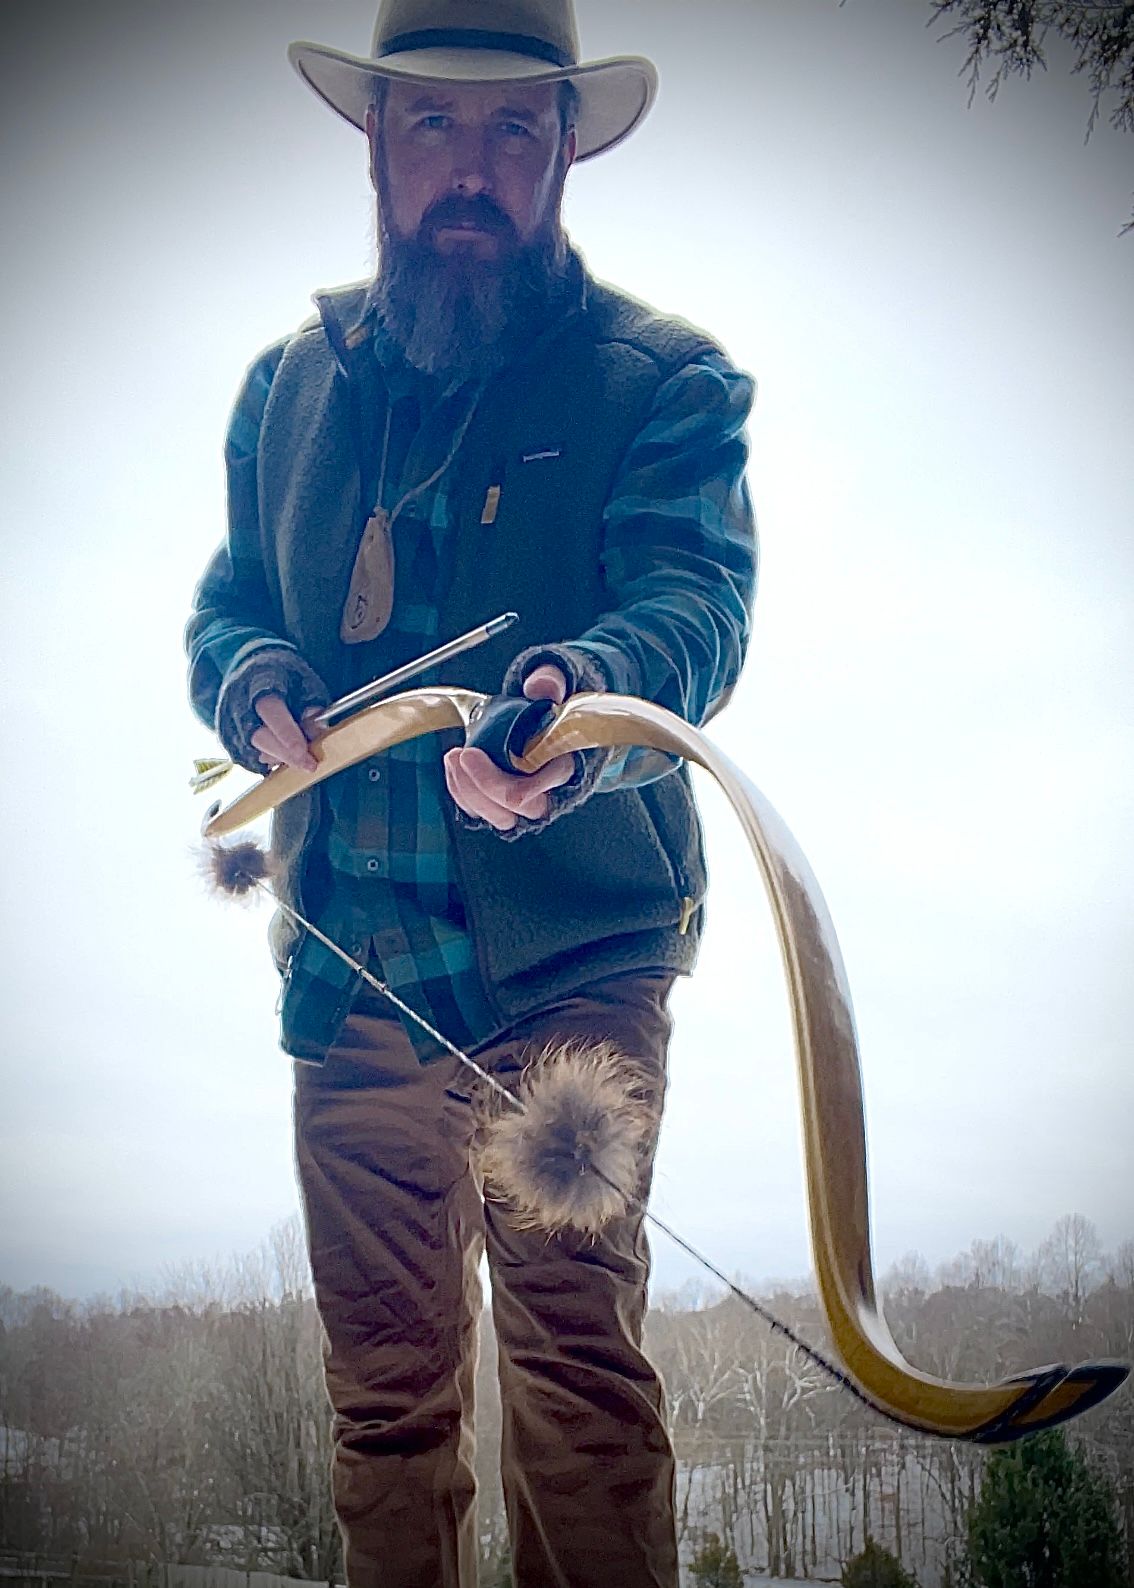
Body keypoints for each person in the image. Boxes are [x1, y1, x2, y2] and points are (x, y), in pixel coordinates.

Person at [186, 2, 757, 1583]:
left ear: (564, 150)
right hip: (351, 975)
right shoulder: (283, 389)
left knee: (578, 1390)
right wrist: (251, 678)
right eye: (434, 122)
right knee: (383, 1408)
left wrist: (584, 703)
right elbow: (230, 606)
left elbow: (689, 606)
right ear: (376, 141)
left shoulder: (665, 381)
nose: (471, 168)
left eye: (513, 129)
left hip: (574, 971)